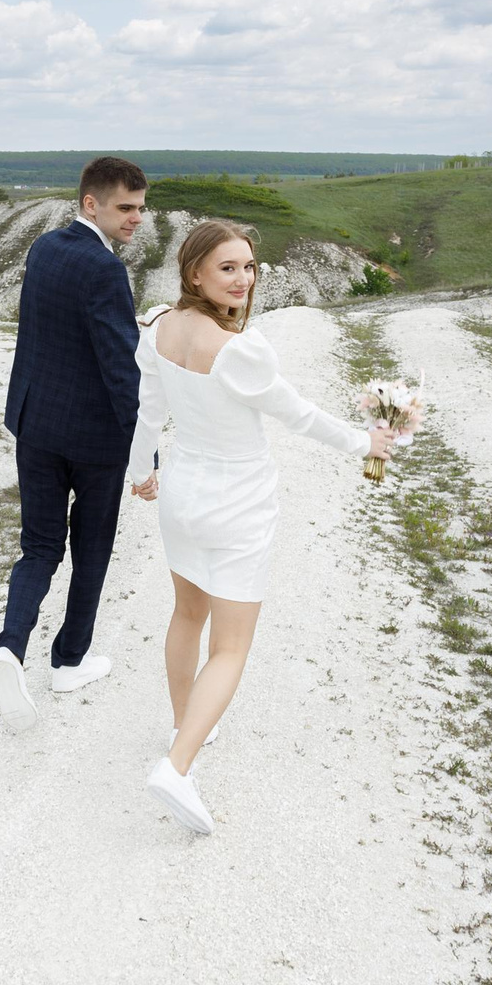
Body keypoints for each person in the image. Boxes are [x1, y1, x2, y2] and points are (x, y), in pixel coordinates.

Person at [127, 219, 394, 834]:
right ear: (194, 272)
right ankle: (177, 765)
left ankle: (184, 721)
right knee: (231, 645)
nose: (243, 278)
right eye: (228, 267)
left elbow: (147, 412)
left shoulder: (158, 327)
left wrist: (141, 471)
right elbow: (299, 416)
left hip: (183, 494)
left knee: (186, 614)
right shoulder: (240, 350)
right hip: (237, 502)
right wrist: (368, 443)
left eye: (249, 266)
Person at [0, 156, 149, 731]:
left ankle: (10, 648)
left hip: (35, 424)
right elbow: (120, 367)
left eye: (140, 208)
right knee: (93, 547)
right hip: (94, 438)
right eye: (125, 208)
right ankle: (68, 661)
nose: (137, 219)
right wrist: (143, 450)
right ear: (91, 204)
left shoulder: (44, 249)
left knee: (38, 546)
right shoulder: (104, 271)